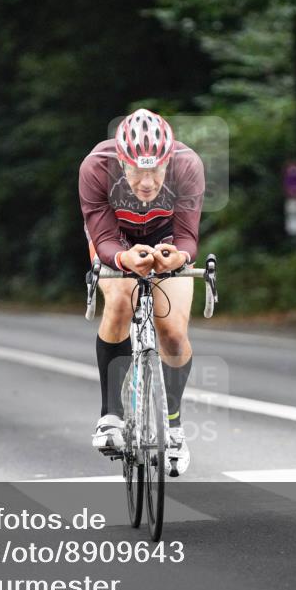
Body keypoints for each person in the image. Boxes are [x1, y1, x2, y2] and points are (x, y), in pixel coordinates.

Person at [78, 108, 204, 477]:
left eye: (156, 170)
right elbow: (101, 239)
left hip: (166, 238)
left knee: (174, 333)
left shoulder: (187, 165)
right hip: (115, 238)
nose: (147, 182)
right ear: (121, 161)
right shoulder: (95, 167)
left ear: (169, 160)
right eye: (136, 170)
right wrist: (121, 257)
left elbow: (187, 237)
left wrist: (179, 256)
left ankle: (175, 427)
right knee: (118, 301)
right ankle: (111, 416)